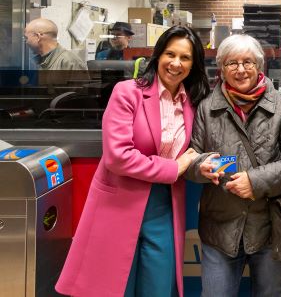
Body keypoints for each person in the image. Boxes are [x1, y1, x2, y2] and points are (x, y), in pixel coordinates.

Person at [55, 25, 210, 297]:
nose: (176, 63)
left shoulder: (193, 102)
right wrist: (175, 167)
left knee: (158, 288)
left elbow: (195, 149)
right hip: (119, 202)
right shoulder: (128, 92)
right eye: (169, 54)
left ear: (194, 63)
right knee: (114, 287)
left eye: (185, 57)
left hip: (164, 205)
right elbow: (118, 156)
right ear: (157, 56)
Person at [185, 34, 281, 297]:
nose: (240, 70)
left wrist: (254, 181)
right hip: (220, 227)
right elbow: (190, 159)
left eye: (248, 62)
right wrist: (200, 167)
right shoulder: (207, 108)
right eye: (232, 63)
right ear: (221, 68)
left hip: (271, 227)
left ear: (260, 65)